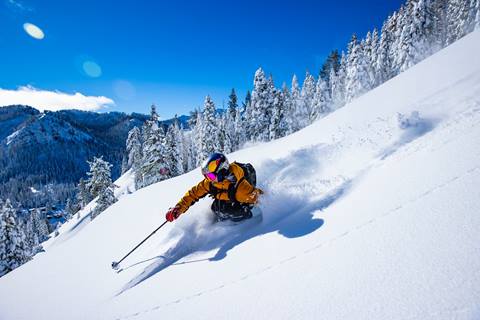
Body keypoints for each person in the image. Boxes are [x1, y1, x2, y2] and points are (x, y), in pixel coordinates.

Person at [166, 152, 263, 222]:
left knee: (233, 211)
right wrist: (178, 209)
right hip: (231, 195)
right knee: (216, 208)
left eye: (211, 176)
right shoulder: (211, 182)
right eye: (207, 176)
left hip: (242, 198)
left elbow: (260, 198)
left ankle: (243, 224)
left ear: (222, 171)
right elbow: (194, 193)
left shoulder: (241, 189)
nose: (209, 179)